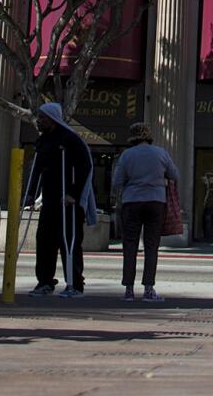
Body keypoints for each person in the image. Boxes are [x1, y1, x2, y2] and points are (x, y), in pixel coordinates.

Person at [25, 102, 96, 298]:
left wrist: (74, 193)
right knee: (44, 241)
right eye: (39, 117)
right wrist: (31, 193)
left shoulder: (70, 140)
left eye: (43, 118)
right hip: (49, 200)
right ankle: (45, 282)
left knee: (69, 242)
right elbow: (36, 169)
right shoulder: (42, 141)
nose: (39, 121)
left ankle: (75, 284)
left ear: (53, 119)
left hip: (68, 202)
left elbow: (84, 167)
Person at [111, 122, 180, 301]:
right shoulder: (160, 153)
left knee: (130, 244)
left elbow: (117, 181)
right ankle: (149, 289)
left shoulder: (127, 155)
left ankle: (129, 290)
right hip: (156, 201)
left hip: (132, 201)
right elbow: (175, 175)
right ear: (148, 136)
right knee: (151, 246)